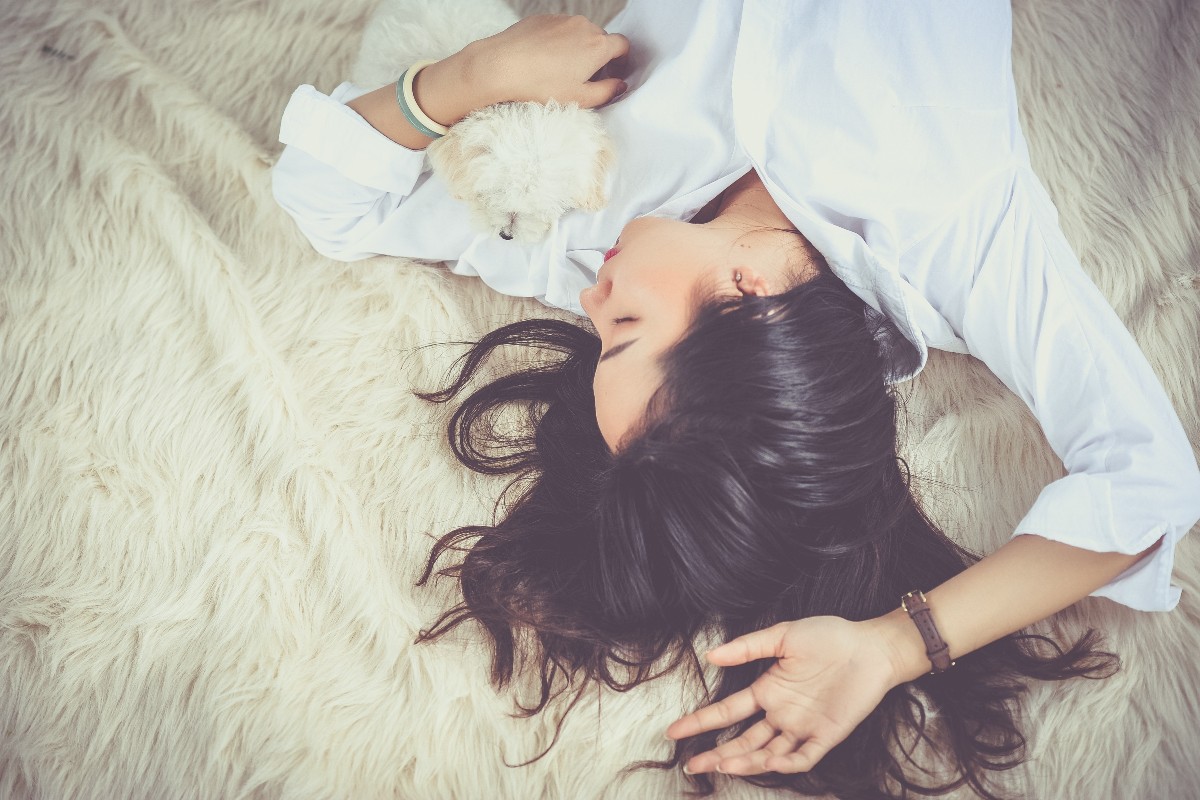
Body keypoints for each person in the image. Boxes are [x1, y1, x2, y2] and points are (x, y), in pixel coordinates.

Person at [271, 2, 1200, 797]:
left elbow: (331, 202)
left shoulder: (591, 230)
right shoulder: (949, 223)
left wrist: (470, 78)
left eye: (599, 341)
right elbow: (1147, 480)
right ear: (751, 297)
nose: (592, 299)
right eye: (625, 328)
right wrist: (892, 648)